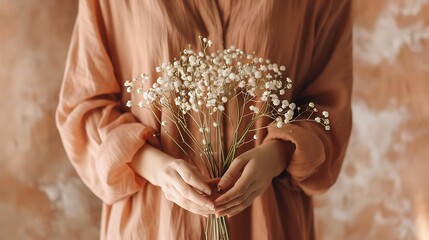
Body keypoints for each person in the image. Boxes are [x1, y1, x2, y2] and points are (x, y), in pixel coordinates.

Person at [56, 0, 352, 239]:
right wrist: (156, 167)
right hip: (155, 223)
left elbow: (328, 106)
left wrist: (277, 154)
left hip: (267, 219)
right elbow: (84, 107)